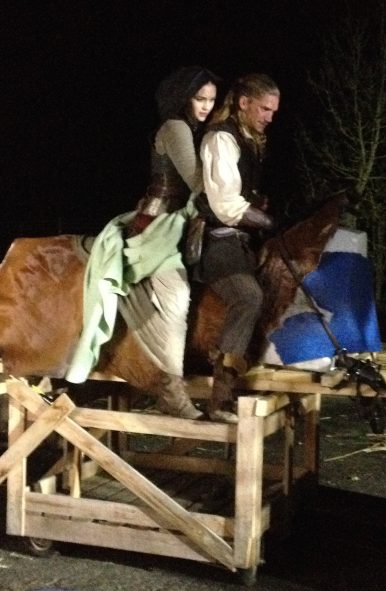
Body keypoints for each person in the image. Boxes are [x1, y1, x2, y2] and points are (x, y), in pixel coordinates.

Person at [126, 65, 220, 420]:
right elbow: (197, 181)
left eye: (211, 100)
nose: (206, 106)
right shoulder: (176, 127)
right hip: (160, 224)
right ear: (184, 98)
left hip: (180, 220)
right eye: (200, 98)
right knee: (177, 297)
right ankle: (171, 392)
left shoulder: (191, 128)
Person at [195, 73, 280, 423]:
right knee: (249, 297)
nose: (269, 117)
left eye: (274, 111)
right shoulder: (221, 139)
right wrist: (264, 221)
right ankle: (219, 400)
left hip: (239, 239)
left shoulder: (251, 140)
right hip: (215, 237)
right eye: (264, 108)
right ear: (244, 103)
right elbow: (226, 206)